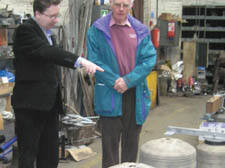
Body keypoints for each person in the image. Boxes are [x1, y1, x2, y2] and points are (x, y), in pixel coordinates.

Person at [12, 0, 103, 167]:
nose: (55, 20)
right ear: (37, 14)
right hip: (30, 106)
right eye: (51, 16)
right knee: (29, 154)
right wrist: (78, 60)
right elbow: (47, 53)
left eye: (57, 15)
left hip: (49, 105)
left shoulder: (48, 34)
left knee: (49, 155)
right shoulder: (25, 31)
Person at [86, 0, 157, 167]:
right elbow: (94, 60)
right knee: (109, 147)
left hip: (135, 93)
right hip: (110, 93)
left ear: (132, 4)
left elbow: (149, 59)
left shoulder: (140, 30)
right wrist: (114, 81)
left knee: (131, 143)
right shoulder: (97, 29)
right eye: (117, 4)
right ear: (110, 3)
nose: (121, 9)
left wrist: (128, 80)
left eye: (125, 5)